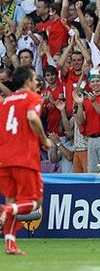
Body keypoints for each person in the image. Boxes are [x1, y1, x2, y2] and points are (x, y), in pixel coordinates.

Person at [0, 66, 52, 255]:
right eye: (34, 78)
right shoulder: (32, 97)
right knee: (35, 202)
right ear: (28, 81)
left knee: (13, 199)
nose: (36, 82)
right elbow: (31, 116)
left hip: (4, 158)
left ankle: (10, 244)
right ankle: (5, 209)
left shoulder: (5, 102)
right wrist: (44, 139)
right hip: (24, 157)